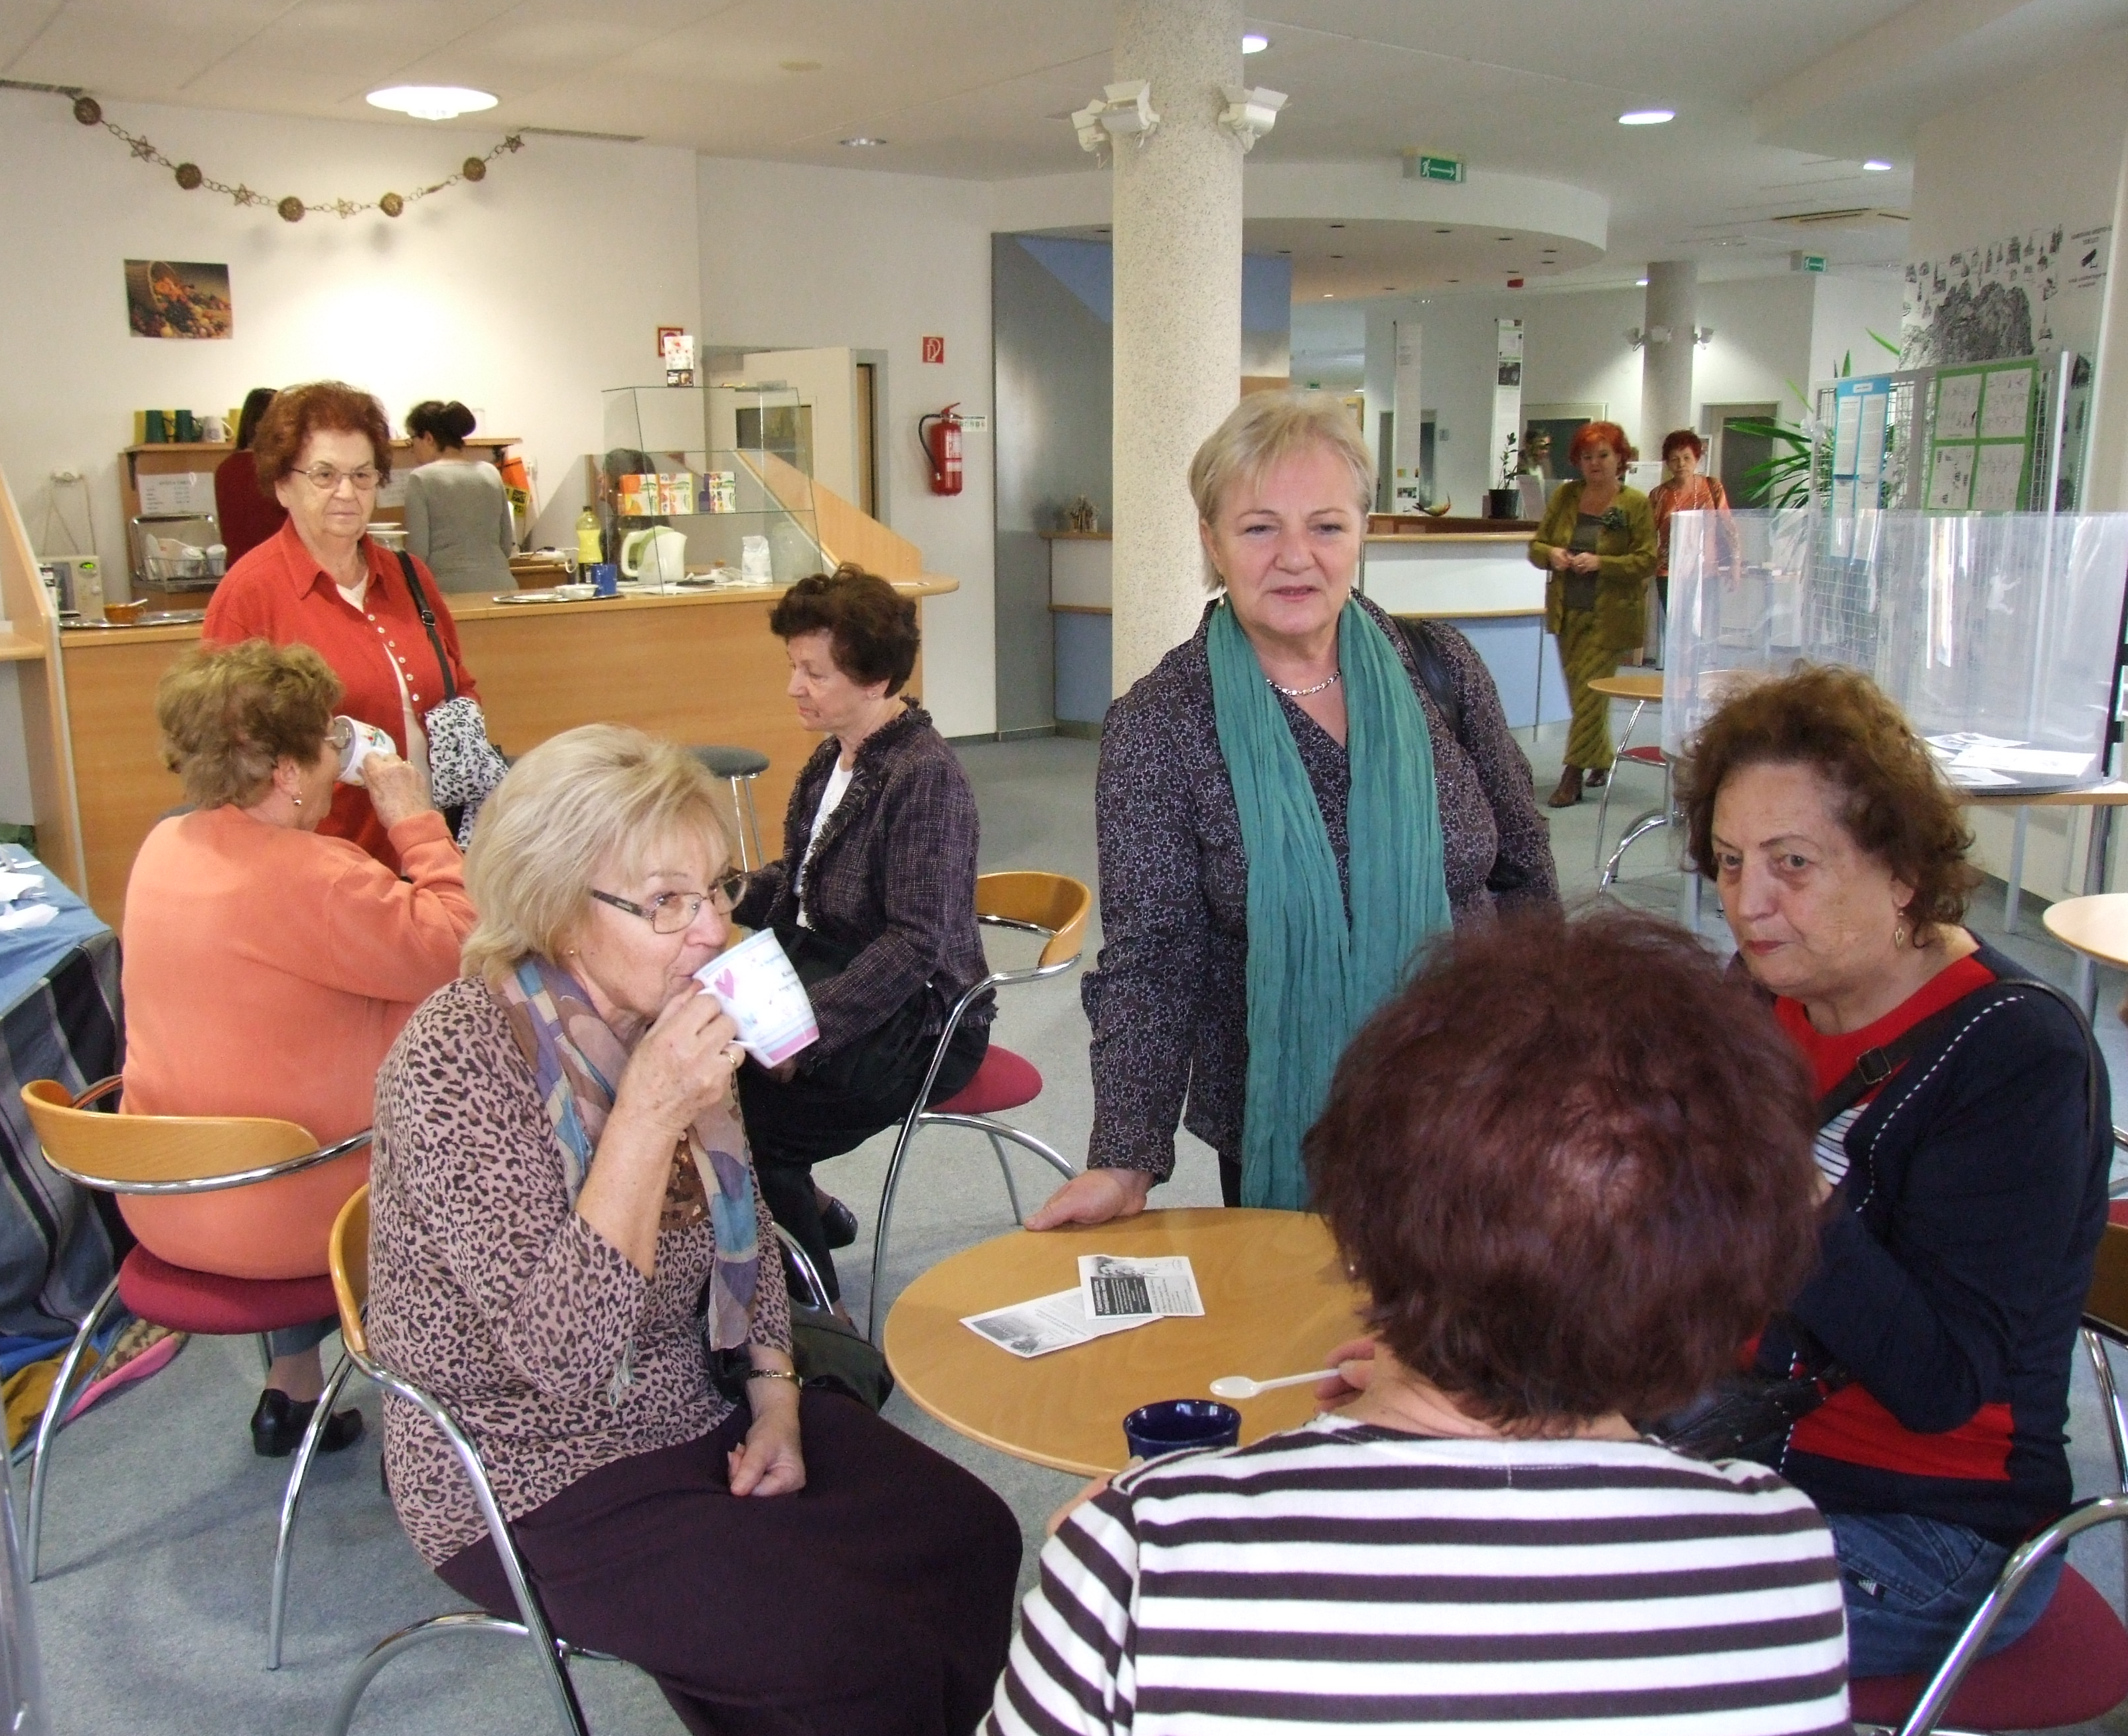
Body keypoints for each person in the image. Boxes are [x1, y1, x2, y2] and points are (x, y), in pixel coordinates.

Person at [988, 909, 1851, 1736]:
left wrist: (1113, 1560)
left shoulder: (1142, 1560)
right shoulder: (1778, 1553)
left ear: (1357, 1228)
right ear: (1729, 1275)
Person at [368, 725, 1020, 1735]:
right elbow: (565, 1362)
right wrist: (648, 1113)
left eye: (716, 889)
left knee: (971, 1537)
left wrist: (776, 1396)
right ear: (556, 909)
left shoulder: (668, 1014)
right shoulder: (457, 1059)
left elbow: (747, 1232)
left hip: (693, 1397)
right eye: (666, 902)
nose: (715, 929)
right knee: (847, 1658)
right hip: (525, 1465)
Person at [1028, 390, 1556, 1226]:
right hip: (1285, 1121)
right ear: (1212, 541)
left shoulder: (1439, 669)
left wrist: (1551, 1059)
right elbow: (1152, 958)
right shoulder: (1161, 724)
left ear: (1361, 533)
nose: (1295, 558)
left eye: (1326, 526)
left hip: (1476, 1098)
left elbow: (1524, 874)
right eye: (1258, 528)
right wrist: (1124, 1160)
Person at [1681, 664, 2110, 1676]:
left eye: (1793, 863)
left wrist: (1777, 1181)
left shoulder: (2017, 1056)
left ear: (1903, 870)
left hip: (1930, 1531)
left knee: (1556, 1601)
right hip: (1733, 1438)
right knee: (1464, 1485)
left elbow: (1940, 1384)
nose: (1749, 903)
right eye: (1731, 862)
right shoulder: (1766, 994)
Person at [119, 639, 475, 1456]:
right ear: (286, 771)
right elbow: (463, 940)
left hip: (162, 1196)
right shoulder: (320, 876)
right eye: (323, 742)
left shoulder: (162, 848)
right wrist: (412, 817)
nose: (332, 757)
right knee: (472, 1090)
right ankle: (441, 1415)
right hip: (289, 1213)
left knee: (281, 1081)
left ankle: (293, 1384)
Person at [731, 567, 986, 1301]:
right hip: (839, 980)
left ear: (875, 680)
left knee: (751, 1126)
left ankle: (820, 1318)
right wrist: (728, 892)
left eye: (815, 672)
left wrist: (802, 1029)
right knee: (705, 1072)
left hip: (924, 1023)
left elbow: (916, 947)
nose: (794, 687)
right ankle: (809, 1212)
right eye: (793, 666)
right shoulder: (833, 756)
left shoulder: (924, 777)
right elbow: (803, 882)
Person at [203, 380, 481, 872]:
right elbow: (225, 755)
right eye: (325, 474)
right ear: (283, 484)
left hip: (436, 852)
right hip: (327, 872)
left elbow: (458, 685)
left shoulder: (411, 577)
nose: (347, 493)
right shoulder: (249, 594)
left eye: (362, 475)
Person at [1530, 421, 1657, 808]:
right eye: (1587, 457)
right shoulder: (1566, 496)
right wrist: (1552, 554)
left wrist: (1603, 563)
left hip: (1611, 617)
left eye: (1603, 455)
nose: (1595, 463)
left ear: (1620, 458)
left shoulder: (1635, 503)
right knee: (1583, 695)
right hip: (1568, 612)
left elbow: (1647, 560)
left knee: (1588, 694)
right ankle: (1600, 758)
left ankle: (1572, 775)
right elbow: (1537, 546)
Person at [402, 399, 515, 594]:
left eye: (411, 440)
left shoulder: (421, 478)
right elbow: (506, 544)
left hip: (448, 590)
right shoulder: (490, 472)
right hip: (502, 587)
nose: (411, 448)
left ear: (428, 438)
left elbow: (417, 553)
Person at [1645, 428, 1731, 664]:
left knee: (1703, 627)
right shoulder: (1659, 495)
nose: (1681, 464)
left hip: (1706, 570)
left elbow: (1728, 526)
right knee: (1679, 627)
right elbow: (1647, 535)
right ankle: (1681, 674)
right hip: (1669, 572)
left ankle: (1699, 673)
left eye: (1686, 458)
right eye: (1674, 459)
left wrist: (1735, 563)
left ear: (1697, 459)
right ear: (1667, 462)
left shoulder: (1713, 487)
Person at [214, 386, 287, 567]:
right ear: (260, 425)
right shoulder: (276, 469)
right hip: (276, 567)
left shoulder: (225, 468)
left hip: (239, 570)